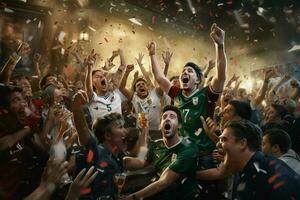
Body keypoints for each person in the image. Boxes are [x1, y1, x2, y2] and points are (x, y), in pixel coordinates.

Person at [197, 120, 300, 200]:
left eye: (224, 140)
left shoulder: (255, 181)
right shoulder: (268, 163)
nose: (218, 144)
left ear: (242, 143)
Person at [122, 105, 200, 200]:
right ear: (160, 125)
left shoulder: (188, 149)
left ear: (179, 125)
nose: (167, 119)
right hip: (162, 194)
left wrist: (131, 198)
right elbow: (140, 161)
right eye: (164, 117)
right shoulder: (156, 144)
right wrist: (120, 160)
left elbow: (163, 182)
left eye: (172, 116)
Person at [71, 91, 127, 199]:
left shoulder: (117, 158)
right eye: (120, 127)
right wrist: (76, 107)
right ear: (107, 135)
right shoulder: (95, 151)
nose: (124, 131)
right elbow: (82, 129)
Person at [119, 64, 170, 132]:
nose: (141, 86)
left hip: (157, 131)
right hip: (141, 131)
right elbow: (121, 87)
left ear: (147, 87)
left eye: (143, 84)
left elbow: (162, 81)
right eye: (138, 85)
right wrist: (127, 72)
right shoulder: (134, 97)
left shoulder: (155, 93)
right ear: (136, 90)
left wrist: (166, 65)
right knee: (142, 117)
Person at [84, 50, 125, 125]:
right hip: (101, 135)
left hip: (118, 135)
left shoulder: (116, 94)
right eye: (97, 76)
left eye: (102, 76)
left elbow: (122, 67)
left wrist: (121, 53)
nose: (101, 77)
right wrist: (90, 68)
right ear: (92, 83)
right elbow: (88, 90)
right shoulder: (93, 98)